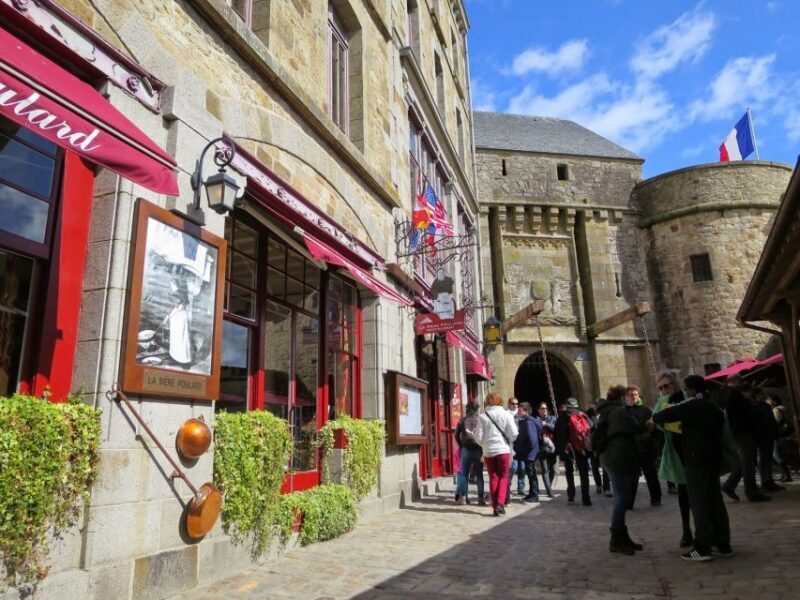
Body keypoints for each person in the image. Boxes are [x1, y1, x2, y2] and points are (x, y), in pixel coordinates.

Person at [651, 375, 732, 561]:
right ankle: (723, 543)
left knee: (699, 502)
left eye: (687, 389)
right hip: (713, 458)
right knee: (715, 501)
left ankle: (702, 547)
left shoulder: (690, 405)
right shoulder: (714, 407)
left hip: (695, 460)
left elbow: (658, 416)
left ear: (693, 390)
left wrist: (666, 402)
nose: (686, 392)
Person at [597, 385, 648, 555]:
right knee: (622, 498)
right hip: (616, 457)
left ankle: (622, 536)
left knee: (622, 496)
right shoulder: (618, 411)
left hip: (611, 456)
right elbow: (634, 426)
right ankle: (617, 538)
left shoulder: (607, 410)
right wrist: (647, 425)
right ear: (621, 397)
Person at [653, 371, 693, 548]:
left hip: (694, 450)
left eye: (666, 386)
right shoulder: (662, 402)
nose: (663, 390)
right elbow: (655, 421)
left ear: (675, 384)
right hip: (676, 452)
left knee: (699, 495)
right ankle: (686, 531)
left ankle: (705, 532)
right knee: (683, 495)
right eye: (660, 388)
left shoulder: (688, 397)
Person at [468, 392, 518, 516]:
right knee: (503, 476)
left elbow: (478, 436)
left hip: (488, 451)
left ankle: (495, 506)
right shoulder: (506, 414)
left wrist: (484, 445)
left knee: (493, 477)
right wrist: (508, 441)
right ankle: (501, 503)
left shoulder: (483, 417)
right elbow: (514, 432)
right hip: (503, 450)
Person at [722, 375, 771, 502]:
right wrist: (748, 401)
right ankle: (751, 492)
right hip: (743, 434)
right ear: (732, 382)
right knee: (748, 463)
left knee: (746, 463)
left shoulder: (731, 395)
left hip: (741, 434)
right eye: (738, 380)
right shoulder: (734, 395)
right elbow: (743, 414)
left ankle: (731, 485)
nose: (741, 382)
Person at [626, 385, 662, 508]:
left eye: (635, 394)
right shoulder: (624, 410)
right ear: (627, 396)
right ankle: (629, 502)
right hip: (632, 449)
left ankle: (656, 498)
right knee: (632, 478)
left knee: (651, 475)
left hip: (646, 448)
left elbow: (654, 429)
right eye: (631, 395)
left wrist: (649, 440)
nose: (633, 397)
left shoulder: (646, 410)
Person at [554, 397, 592, 506]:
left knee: (569, 472)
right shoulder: (583, 415)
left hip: (568, 449)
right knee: (584, 474)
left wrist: (560, 451)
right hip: (581, 449)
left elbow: (557, 434)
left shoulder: (562, 417)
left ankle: (571, 495)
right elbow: (592, 428)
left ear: (567, 405)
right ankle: (586, 498)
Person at [752, 388, 784, 492]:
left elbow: (772, 421)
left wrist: (775, 433)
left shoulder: (766, 406)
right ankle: (765, 481)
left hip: (770, 435)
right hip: (762, 437)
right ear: (756, 395)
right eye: (761, 393)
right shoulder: (754, 407)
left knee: (768, 459)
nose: (763, 395)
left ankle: (769, 480)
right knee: (763, 459)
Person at [454, 402, 485, 506]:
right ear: (476, 409)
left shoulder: (462, 420)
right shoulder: (480, 420)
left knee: (464, 475)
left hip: (466, 449)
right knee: (479, 475)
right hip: (478, 449)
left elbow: (456, 434)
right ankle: (480, 499)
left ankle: (463, 497)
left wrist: (461, 445)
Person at [513, 402, 544, 502]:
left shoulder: (529, 422)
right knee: (530, 474)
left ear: (526, 412)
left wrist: (526, 450)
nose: (518, 412)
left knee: (531, 474)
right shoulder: (525, 421)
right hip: (528, 453)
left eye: (520, 410)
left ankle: (534, 495)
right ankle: (532, 493)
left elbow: (532, 440)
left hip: (529, 453)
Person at [768, 395, 793, 482]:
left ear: (774, 401)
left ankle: (787, 475)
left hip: (777, 434)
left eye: (769, 400)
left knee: (775, 454)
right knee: (777, 454)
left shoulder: (776, 410)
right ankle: (785, 474)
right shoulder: (782, 409)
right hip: (782, 435)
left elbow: (776, 422)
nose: (767, 401)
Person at [506, 397, 526, 501]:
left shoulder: (520, 414)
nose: (515, 406)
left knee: (522, 467)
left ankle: (521, 487)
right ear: (508, 404)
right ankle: (507, 486)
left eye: (516, 404)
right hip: (510, 444)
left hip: (520, 444)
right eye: (513, 403)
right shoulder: (506, 414)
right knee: (513, 467)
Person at [537, 402, 558, 492]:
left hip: (552, 447)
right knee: (545, 469)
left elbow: (555, 429)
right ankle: (549, 489)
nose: (544, 410)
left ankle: (549, 484)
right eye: (542, 408)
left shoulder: (553, 418)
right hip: (541, 447)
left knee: (553, 469)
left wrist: (545, 424)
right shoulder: (536, 420)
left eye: (545, 408)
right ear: (539, 410)